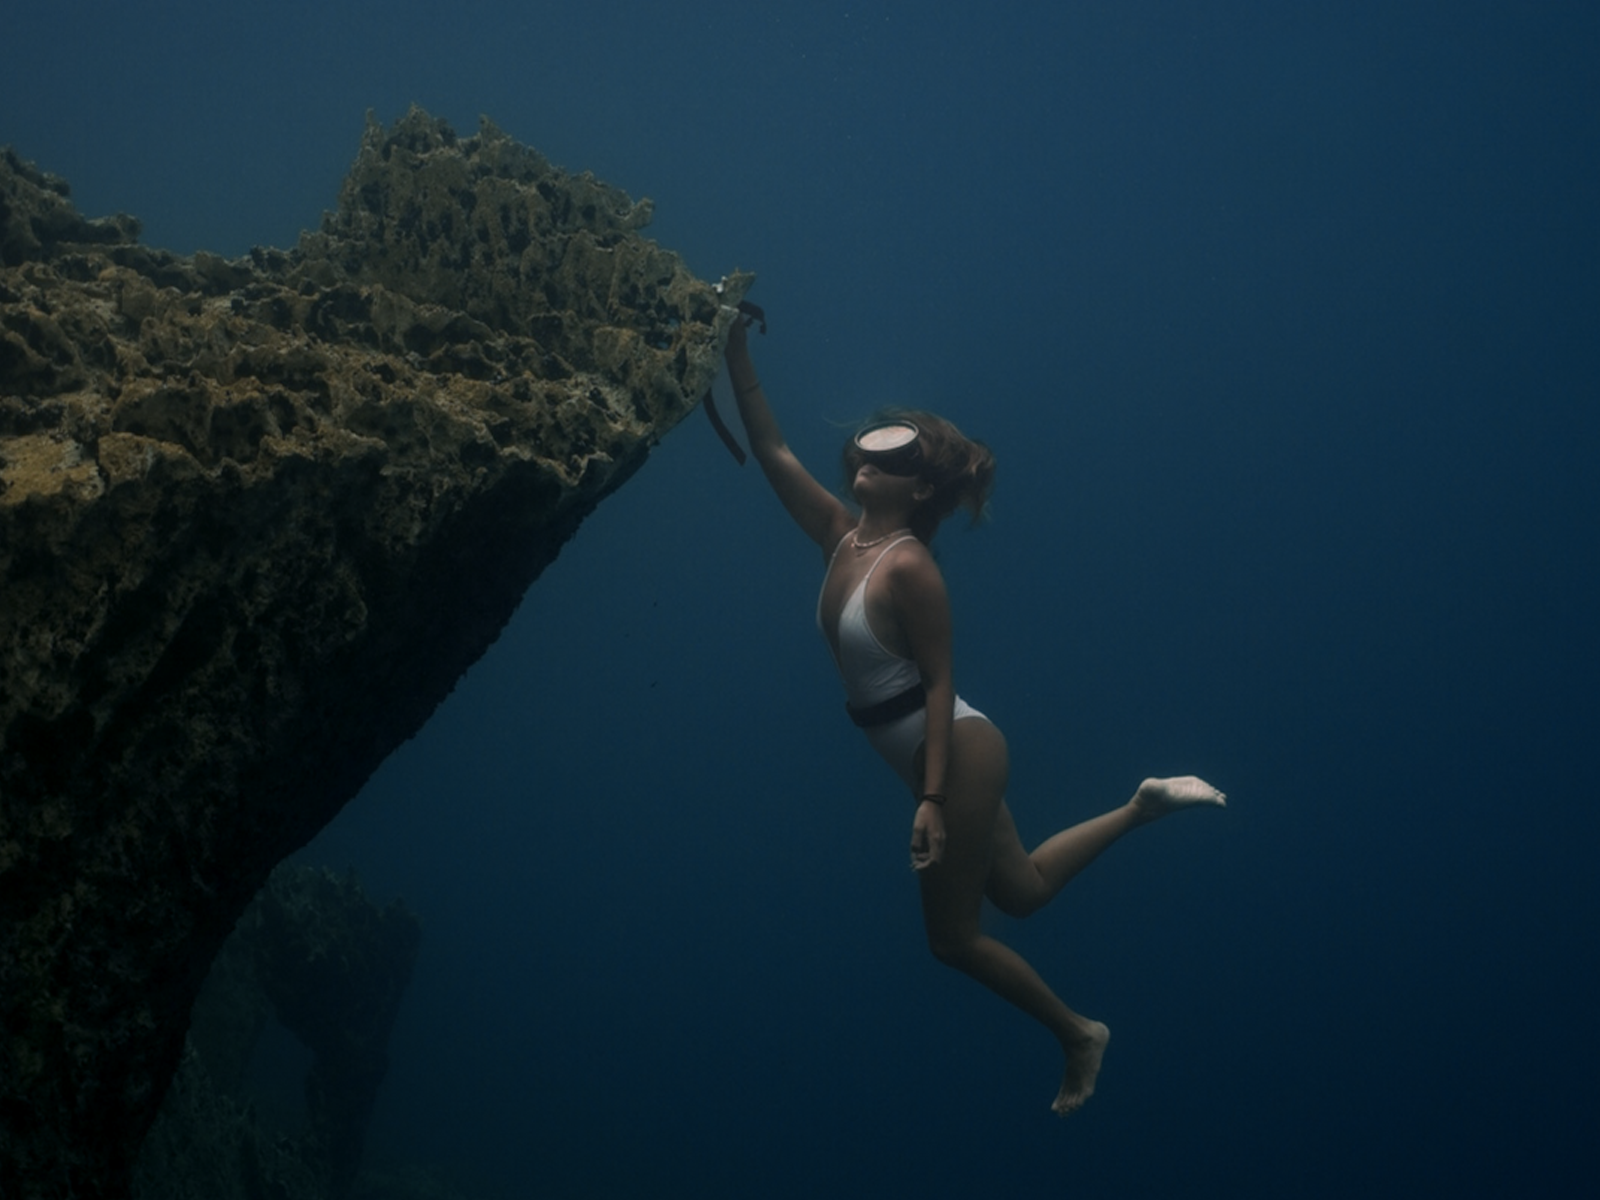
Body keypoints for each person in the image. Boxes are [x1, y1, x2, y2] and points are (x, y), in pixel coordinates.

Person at [721, 312, 1225, 1116]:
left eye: (892, 461)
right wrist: (735, 353)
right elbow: (775, 453)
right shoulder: (840, 538)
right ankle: (1144, 804)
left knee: (951, 940)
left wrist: (929, 800)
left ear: (921, 489)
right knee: (1020, 892)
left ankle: (1078, 1034)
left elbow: (942, 683)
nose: (864, 462)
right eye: (869, 452)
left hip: (953, 747)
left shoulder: (911, 567)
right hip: (941, 750)